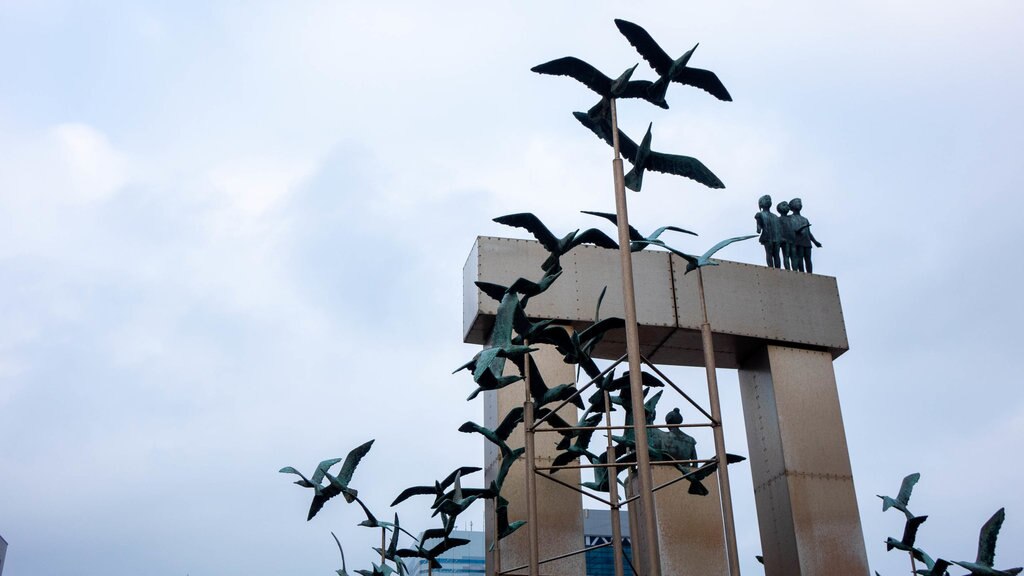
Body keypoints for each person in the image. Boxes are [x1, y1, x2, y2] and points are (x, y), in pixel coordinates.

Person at [789, 197, 823, 273]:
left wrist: (815, 242)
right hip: (797, 241)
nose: (799, 204)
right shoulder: (790, 218)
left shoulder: (805, 219)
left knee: (808, 258)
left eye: (800, 202)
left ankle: (810, 274)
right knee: (800, 258)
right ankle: (802, 273)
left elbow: (809, 232)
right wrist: (799, 229)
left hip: (806, 241)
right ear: (792, 206)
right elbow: (791, 230)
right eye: (797, 202)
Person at [755, 194, 781, 268]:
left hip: (776, 237)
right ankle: (770, 268)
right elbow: (759, 226)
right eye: (766, 200)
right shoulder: (760, 214)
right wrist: (758, 228)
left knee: (777, 254)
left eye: (769, 200)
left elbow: (779, 228)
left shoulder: (775, 217)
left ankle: (778, 269)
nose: (768, 201)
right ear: (760, 204)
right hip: (767, 236)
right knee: (769, 253)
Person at [777, 200, 796, 270]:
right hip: (785, 240)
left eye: (787, 205)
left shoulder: (791, 218)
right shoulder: (778, 219)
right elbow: (777, 230)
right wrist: (781, 238)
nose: (787, 206)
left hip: (793, 240)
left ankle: (795, 270)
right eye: (784, 205)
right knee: (786, 255)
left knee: (794, 256)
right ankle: (788, 270)